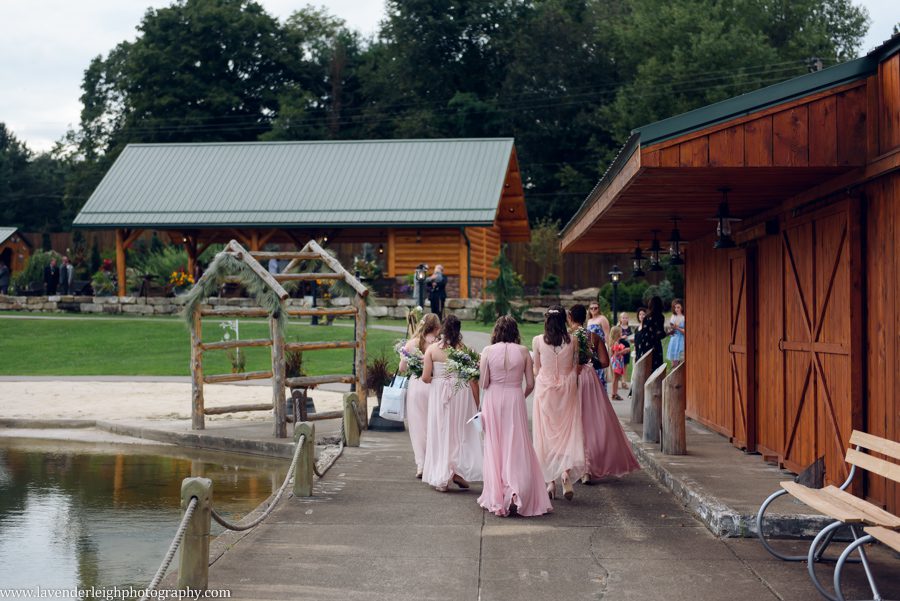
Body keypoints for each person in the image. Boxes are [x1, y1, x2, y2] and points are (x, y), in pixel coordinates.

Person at [477, 316, 553, 518]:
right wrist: (520, 395)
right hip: (514, 399)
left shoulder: (487, 351)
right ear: (515, 332)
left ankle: (498, 492)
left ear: (496, 332)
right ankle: (516, 489)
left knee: (496, 445)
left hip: (493, 399)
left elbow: (484, 383)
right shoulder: (523, 352)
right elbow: (530, 383)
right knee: (516, 444)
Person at [568, 305, 640, 483]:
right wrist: (590, 364)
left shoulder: (568, 338)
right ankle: (588, 469)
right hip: (590, 378)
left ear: (570, 317)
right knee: (591, 421)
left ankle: (578, 467)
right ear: (585, 318)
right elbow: (605, 362)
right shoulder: (594, 336)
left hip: (573, 378)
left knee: (574, 421)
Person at [421, 315, 483, 492]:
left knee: (441, 431)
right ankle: (455, 471)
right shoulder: (466, 350)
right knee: (458, 433)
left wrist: (439, 378)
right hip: (461, 393)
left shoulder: (432, 350)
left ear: (442, 329)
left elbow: (425, 378)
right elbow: (473, 380)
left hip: (440, 393)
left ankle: (443, 475)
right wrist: (477, 403)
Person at [532, 304, 584, 501]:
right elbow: (574, 366)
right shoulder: (574, 341)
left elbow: (537, 369)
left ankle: (550, 483)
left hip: (545, 392)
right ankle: (564, 475)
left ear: (547, 320)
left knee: (546, 436)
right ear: (564, 319)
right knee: (567, 433)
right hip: (567, 390)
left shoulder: (537, 341)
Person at [399, 313, 441, 479]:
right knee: (434, 424)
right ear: (437, 328)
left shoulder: (411, 343)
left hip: (416, 386)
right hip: (433, 385)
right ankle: (434, 462)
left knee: (417, 427)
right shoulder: (439, 344)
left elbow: (402, 368)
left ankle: (421, 465)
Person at [636, 296, 666, 371]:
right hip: (655, 346)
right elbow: (660, 334)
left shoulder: (647, 317)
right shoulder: (660, 317)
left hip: (645, 345)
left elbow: (644, 331)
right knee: (656, 369)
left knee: (645, 368)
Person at [586, 302, 609, 388]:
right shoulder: (589, 321)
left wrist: (607, 347)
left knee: (600, 371)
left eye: (595, 308)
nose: (593, 310)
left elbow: (607, 334)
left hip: (600, 348)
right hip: (591, 349)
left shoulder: (602, 319)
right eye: (591, 308)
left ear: (599, 309)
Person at [608, 325, 627, 401]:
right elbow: (616, 354)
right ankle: (614, 393)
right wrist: (625, 351)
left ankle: (615, 393)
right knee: (615, 378)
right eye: (620, 332)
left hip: (616, 361)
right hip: (617, 361)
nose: (621, 333)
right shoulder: (615, 343)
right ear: (617, 334)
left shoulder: (615, 341)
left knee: (616, 378)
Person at [667, 299, 685, 368]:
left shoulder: (684, 317)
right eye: (675, 307)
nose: (676, 309)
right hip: (674, 340)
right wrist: (670, 331)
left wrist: (677, 328)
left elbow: (685, 331)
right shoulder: (673, 316)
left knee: (681, 361)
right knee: (673, 363)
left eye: (678, 307)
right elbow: (672, 328)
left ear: (682, 307)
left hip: (681, 340)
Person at [618, 312, 633, 388]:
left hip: (627, 348)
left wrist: (631, 339)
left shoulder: (629, 328)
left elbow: (631, 337)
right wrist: (621, 337)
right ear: (620, 319)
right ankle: (619, 381)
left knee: (625, 365)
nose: (624, 319)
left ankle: (624, 381)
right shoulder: (618, 327)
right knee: (619, 365)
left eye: (626, 317)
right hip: (619, 348)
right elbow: (615, 338)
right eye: (623, 317)